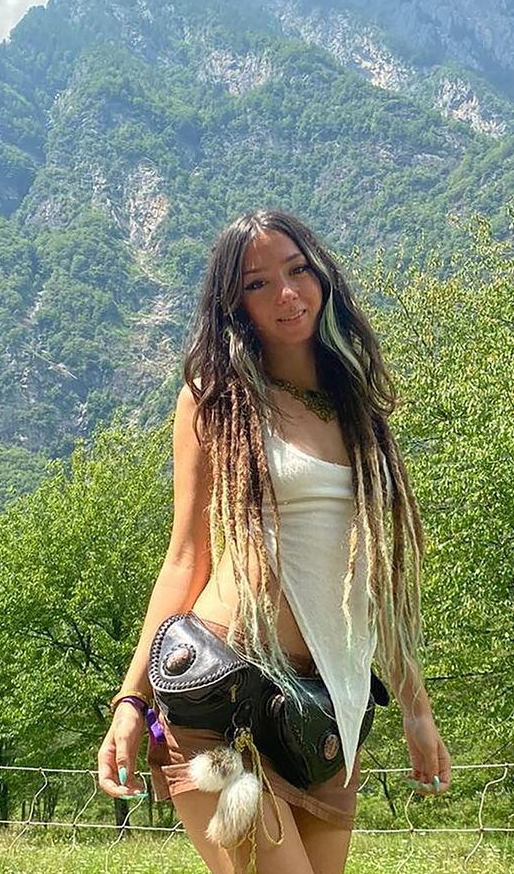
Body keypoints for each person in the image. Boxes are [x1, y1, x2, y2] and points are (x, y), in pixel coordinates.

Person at [96, 210, 451, 874]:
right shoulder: (217, 398)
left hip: (328, 707)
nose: (286, 294)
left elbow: (375, 581)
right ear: (235, 305)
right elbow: (185, 558)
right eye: (258, 284)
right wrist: (130, 702)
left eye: (297, 271)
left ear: (322, 275)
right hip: (225, 698)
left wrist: (416, 710)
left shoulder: (358, 408)